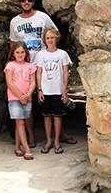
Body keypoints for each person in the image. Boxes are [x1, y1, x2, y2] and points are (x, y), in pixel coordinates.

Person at [9, 0, 77, 146]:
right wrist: (11, 63)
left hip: (44, 66)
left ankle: (60, 134)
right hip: (25, 66)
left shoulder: (42, 17)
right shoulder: (15, 22)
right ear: (19, 2)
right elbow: (13, 44)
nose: (27, 2)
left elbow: (55, 33)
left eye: (30, 0)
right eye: (23, 0)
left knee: (54, 100)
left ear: (34, 1)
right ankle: (30, 136)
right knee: (27, 101)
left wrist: (52, 52)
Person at [36, 26, 72, 154]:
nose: (50, 40)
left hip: (57, 89)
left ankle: (57, 140)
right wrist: (39, 89)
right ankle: (48, 140)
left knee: (57, 116)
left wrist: (65, 89)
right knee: (46, 116)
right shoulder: (40, 55)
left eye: (52, 37)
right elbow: (39, 73)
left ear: (57, 38)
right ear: (44, 40)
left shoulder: (62, 54)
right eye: (48, 38)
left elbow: (65, 72)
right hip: (46, 90)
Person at [4, 41, 36, 160]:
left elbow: (33, 82)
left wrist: (27, 95)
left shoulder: (30, 66)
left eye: (22, 52)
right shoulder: (10, 65)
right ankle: (27, 149)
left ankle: (17, 147)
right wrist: (20, 96)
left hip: (27, 98)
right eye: (17, 52)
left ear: (26, 53)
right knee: (20, 122)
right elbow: (9, 82)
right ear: (13, 54)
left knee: (21, 122)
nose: (20, 54)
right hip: (14, 98)